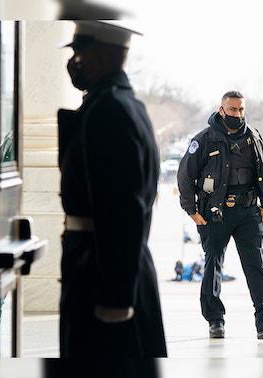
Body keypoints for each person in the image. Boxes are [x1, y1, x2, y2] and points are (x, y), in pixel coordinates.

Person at [57, 21, 167, 357]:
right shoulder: (123, 103)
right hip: (109, 263)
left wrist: (115, 296)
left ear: (106, 54)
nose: (76, 61)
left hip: (100, 269)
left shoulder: (109, 110)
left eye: (81, 51)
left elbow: (122, 206)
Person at [177, 91, 263, 339]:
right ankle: (215, 320)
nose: (237, 114)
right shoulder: (205, 140)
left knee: (255, 265)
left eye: (241, 110)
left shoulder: (254, 137)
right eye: (232, 110)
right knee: (213, 264)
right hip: (215, 213)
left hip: (249, 212)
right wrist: (192, 211)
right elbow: (185, 176)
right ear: (221, 110)